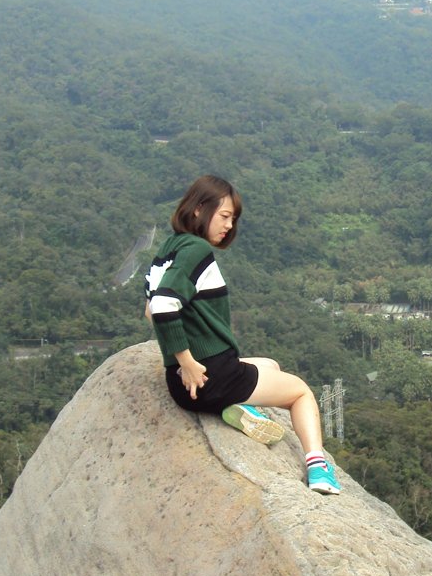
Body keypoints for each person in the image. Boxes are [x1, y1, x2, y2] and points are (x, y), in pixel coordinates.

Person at [144, 174, 340, 495]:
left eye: (232, 219)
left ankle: (237, 408)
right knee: (301, 392)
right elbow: (164, 306)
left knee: (270, 365)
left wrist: (181, 364)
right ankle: (318, 469)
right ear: (198, 209)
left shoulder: (168, 250)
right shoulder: (195, 250)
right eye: (223, 216)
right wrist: (189, 360)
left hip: (181, 385)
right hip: (213, 376)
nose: (228, 226)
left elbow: (151, 310)